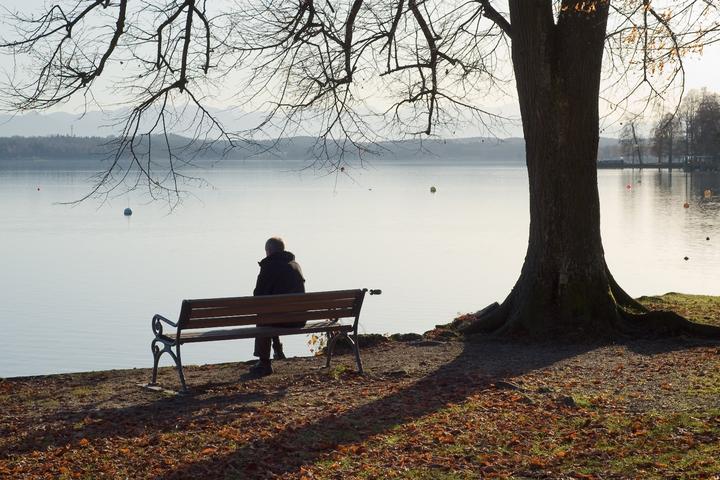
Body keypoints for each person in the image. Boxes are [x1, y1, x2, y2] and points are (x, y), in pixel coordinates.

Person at [250, 237, 306, 376]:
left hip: (279, 319)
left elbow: (258, 297)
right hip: (298, 319)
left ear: (268, 251)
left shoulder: (268, 267)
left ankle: (264, 362)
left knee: (264, 314)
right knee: (271, 312)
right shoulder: (295, 265)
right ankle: (277, 350)